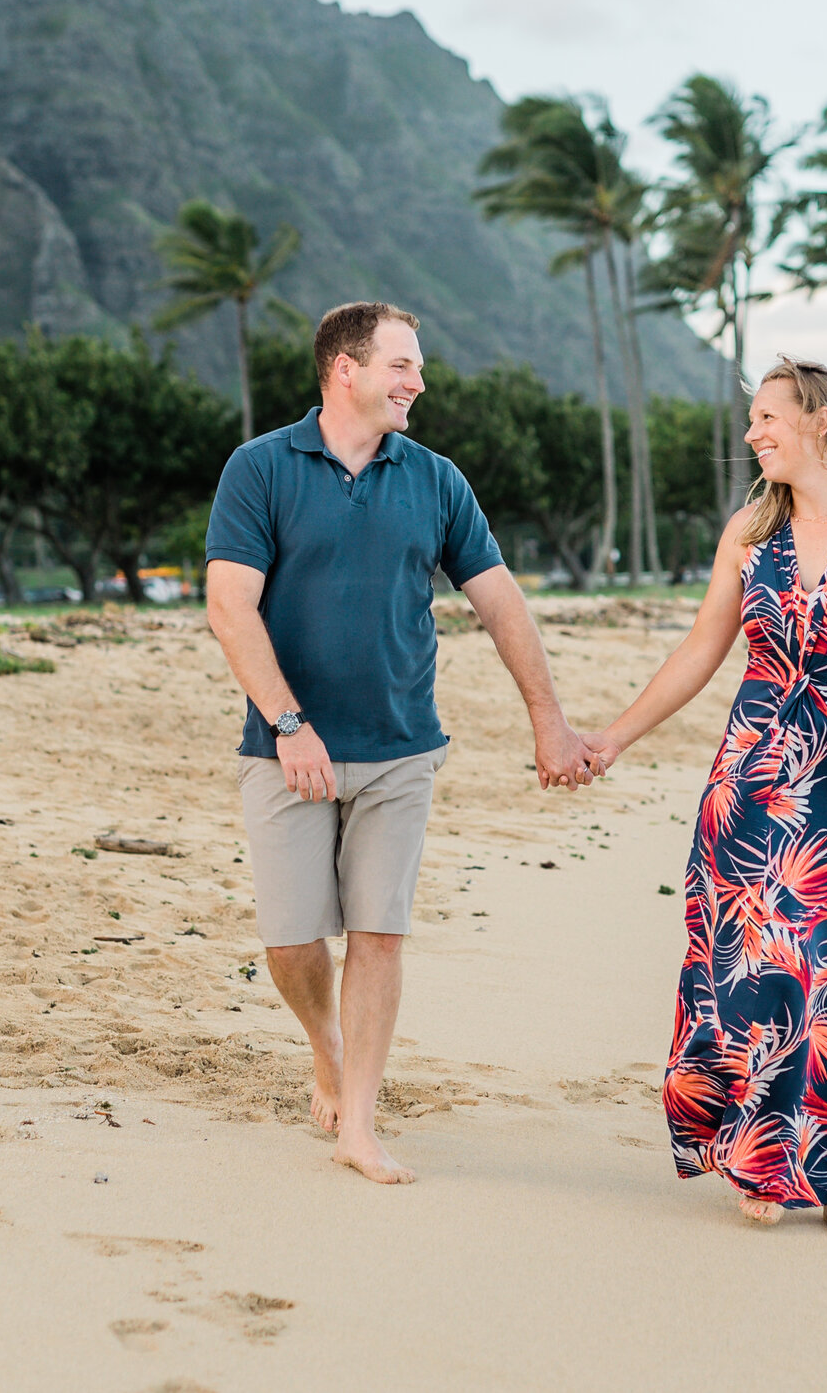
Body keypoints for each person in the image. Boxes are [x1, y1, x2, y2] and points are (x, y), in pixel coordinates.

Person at [204, 301, 602, 1185]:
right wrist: (287, 722)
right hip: (287, 750)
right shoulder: (260, 468)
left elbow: (498, 602)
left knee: (379, 934)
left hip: (400, 749)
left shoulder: (436, 479)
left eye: (416, 367)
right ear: (345, 368)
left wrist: (548, 719)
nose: (417, 383)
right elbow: (229, 605)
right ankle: (325, 1042)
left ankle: (362, 1121)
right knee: (291, 942)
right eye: (401, 365)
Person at [581, 357, 827, 1239]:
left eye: (767, 418)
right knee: (753, 970)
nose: (753, 434)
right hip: (753, 778)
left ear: (818, 419)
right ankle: (756, 1154)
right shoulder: (749, 530)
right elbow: (701, 650)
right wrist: (616, 735)